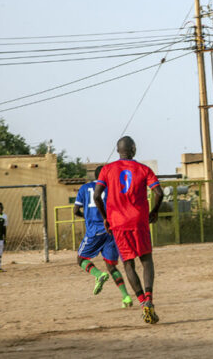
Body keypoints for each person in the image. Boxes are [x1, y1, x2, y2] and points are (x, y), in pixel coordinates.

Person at [94, 136, 164, 324]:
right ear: (133, 149)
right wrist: (154, 211)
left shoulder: (107, 170)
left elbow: (97, 196)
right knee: (147, 260)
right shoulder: (144, 169)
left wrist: (105, 218)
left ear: (118, 150)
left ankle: (142, 303)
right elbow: (159, 192)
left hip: (118, 223)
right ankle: (149, 298)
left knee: (128, 264)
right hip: (139, 221)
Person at [75, 166, 132, 307]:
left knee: (80, 258)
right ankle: (126, 297)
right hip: (111, 231)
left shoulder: (84, 188)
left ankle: (98, 275)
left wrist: (86, 216)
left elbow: (76, 210)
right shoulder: (112, 189)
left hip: (94, 230)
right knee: (111, 267)